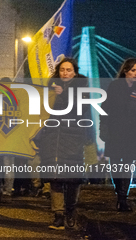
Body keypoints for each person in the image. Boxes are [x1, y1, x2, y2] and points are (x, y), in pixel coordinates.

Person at [39, 58, 89, 230]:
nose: (65, 73)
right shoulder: (50, 88)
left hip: (73, 138)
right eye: (62, 70)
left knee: (73, 179)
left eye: (68, 70)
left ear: (75, 72)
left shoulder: (82, 88)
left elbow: (81, 110)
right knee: (55, 179)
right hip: (53, 138)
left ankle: (71, 210)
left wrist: (64, 95)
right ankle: (58, 215)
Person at [100, 58, 136, 212]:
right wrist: (104, 127)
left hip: (131, 133)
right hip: (115, 132)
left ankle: (123, 197)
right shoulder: (115, 86)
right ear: (125, 71)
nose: (135, 73)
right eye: (133, 70)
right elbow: (105, 108)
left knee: (128, 164)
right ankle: (119, 193)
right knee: (115, 163)